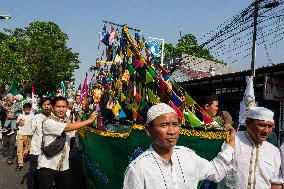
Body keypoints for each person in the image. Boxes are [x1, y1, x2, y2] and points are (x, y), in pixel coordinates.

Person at [123, 103, 236, 189]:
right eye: (164, 125)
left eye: (175, 124)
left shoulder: (188, 156)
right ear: (148, 130)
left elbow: (216, 172)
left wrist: (230, 145)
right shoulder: (138, 168)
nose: (171, 131)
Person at [37, 96, 98, 189]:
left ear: (67, 107)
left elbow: (73, 130)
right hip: (47, 165)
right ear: (53, 108)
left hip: (63, 166)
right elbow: (67, 128)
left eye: (64, 107)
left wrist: (79, 117)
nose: (61, 109)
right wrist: (89, 120)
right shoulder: (48, 122)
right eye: (58, 107)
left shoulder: (67, 121)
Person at [217, 106, 284, 189]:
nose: (266, 130)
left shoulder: (273, 151)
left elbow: (276, 184)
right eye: (262, 125)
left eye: (270, 126)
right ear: (248, 123)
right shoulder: (231, 141)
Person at [29, 97, 52, 189]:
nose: (47, 106)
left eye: (49, 104)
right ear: (41, 106)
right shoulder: (36, 117)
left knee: (47, 175)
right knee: (35, 172)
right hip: (36, 150)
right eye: (44, 104)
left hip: (50, 151)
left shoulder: (55, 117)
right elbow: (30, 134)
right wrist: (27, 148)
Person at [16, 102, 34, 171]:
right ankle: (20, 164)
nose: (27, 110)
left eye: (28, 109)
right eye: (26, 109)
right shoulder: (20, 115)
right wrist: (18, 122)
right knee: (19, 149)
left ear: (30, 109)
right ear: (23, 109)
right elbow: (16, 125)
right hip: (20, 133)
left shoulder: (32, 116)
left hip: (28, 134)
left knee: (28, 149)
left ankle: (26, 156)